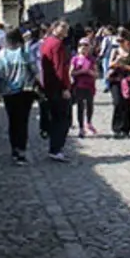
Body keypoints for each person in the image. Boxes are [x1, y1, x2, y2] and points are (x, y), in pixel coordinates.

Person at [0, 30, 39, 165]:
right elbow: (35, 71)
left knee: (12, 121)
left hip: (8, 93)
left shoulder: (1, 54)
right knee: (23, 122)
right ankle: (21, 150)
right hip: (25, 91)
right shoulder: (25, 53)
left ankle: (14, 149)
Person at [39, 20, 73, 163]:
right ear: (55, 28)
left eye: (67, 28)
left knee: (55, 117)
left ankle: (54, 146)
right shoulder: (57, 44)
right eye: (63, 27)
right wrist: (64, 87)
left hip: (48, 86)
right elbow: (59, 68)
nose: (66, 30)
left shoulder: (46, 42)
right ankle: (56, 149)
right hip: (57, 87)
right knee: (62, 119)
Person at [109, 33, 130, 137]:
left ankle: (126, 129)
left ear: (127, 41)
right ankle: (116, 128)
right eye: (118, 41)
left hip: (127, 79)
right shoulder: (115, 51)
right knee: (117, 102)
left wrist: (123, 65)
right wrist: (116, 61)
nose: (120, 43)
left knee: (126, 103)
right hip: (116, 79)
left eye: (122, 41)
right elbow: (110, 64)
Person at [71, 38, 98, 138]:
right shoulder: (75, 59)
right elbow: (71, 72)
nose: (84, 48)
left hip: (90, 86)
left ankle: (89, 123)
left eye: (86, 46)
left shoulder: (92, 59)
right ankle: (81, 127)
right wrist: (81, 72)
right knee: (80, 107)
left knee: (90, 105)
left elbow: (96, 74)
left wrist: (90, 72)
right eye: (82, 46)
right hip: (79, 86)